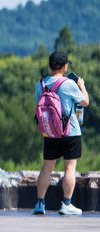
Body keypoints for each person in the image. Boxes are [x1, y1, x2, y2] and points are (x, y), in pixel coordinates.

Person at [33, 50, 89, 215]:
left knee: (47, 167)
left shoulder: (41, 84)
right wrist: (82, 86)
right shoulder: (69, 84)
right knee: (70, 167)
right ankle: (66, 203)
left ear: (50, 66)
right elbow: (85, 102)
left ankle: (40, 204)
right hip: (70, 131)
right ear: (65, 67)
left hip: (50, 132)